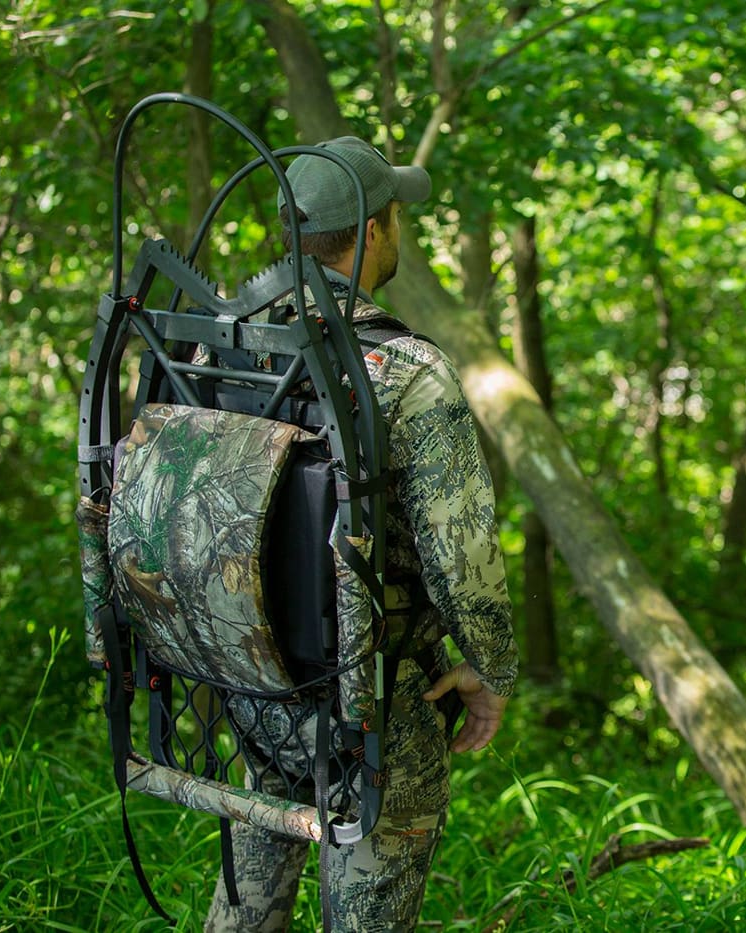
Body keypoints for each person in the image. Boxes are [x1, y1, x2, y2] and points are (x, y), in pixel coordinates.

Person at [204, 136, 518, 932]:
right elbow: (465, 559)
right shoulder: (406, 368)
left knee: (245, 910)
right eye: (395, 216)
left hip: (252, 682)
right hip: (371, 707)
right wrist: (491, 671)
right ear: (374, 233)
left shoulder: (226, 350)